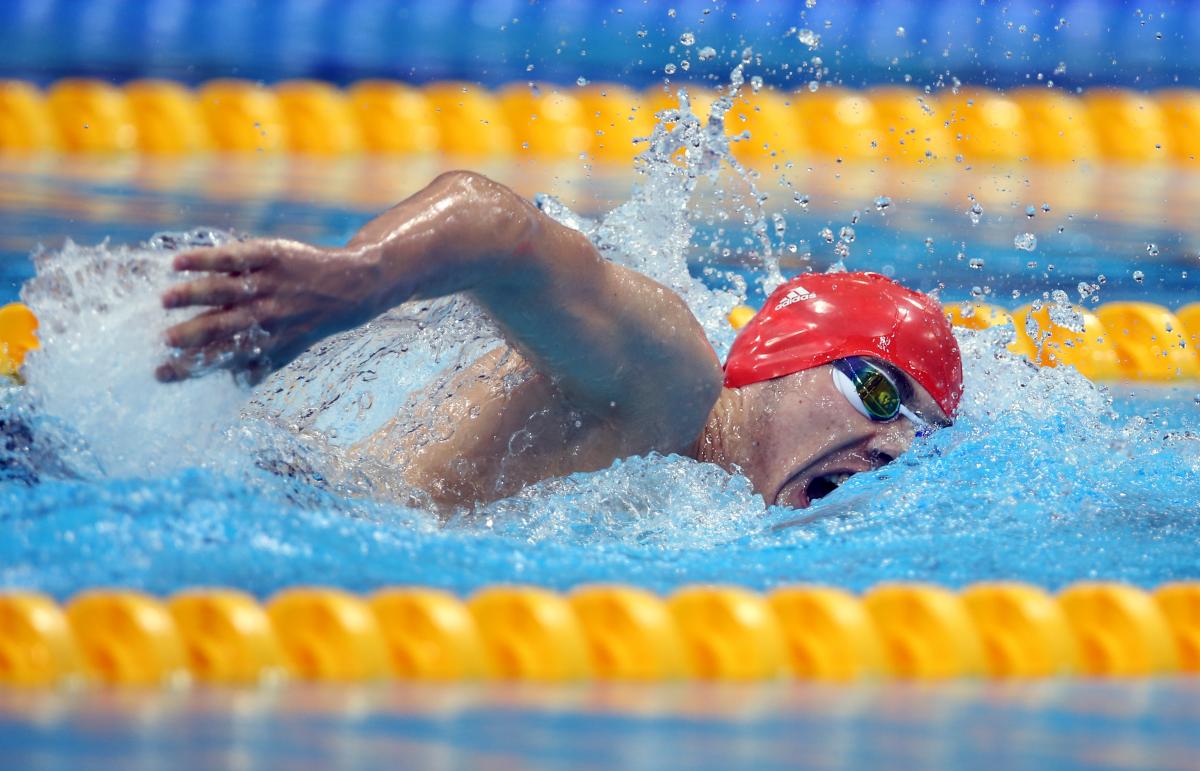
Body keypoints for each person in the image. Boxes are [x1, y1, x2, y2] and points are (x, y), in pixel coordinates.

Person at [158, 170, 962, 510]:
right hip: (269, 495)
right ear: (779, 357)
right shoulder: (672, 378)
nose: (892, 443)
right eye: (881, 392)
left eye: (919, 437)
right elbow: (492, 222)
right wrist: (351, 279)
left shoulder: (703, 495)